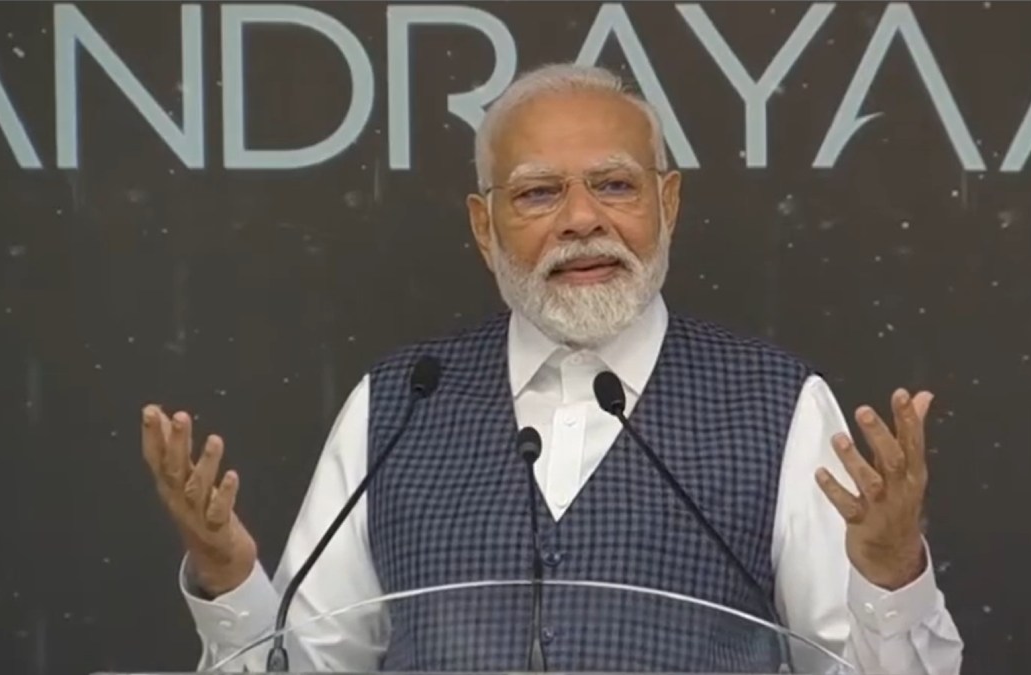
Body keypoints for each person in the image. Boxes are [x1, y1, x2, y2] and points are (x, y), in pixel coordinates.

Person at [141, 63, 964, 673]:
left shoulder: (776, 403)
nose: (581, 219)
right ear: (482, 224)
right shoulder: (396, 404)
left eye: (615, 184)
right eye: (538, 194)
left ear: (668, 205)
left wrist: (890, 573)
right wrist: (227, 578)